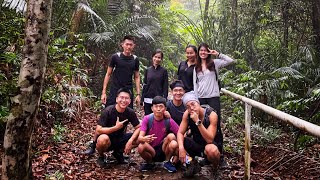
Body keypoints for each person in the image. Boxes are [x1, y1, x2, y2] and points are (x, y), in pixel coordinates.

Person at [193, 43, 234, 163]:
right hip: (201, 98)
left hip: (213, 98)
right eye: (201, 51)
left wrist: (218, 54)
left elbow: (230, 61)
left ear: (208, 52)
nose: (203, 53)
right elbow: (195, 84)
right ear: (198, 53)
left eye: (205, 51)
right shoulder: (197, 67)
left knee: (216, 125)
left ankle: (219, 153)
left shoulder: (214, 63)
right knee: (203, 124)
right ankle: (206, 154)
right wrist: (196, 99)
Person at [93, 88, 141, 167]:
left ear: (129, 101)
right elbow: (98, 130)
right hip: (107, 138)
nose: (124, 100)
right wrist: (115, 128)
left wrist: (130, 141)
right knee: (102, 139)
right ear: (116, 99)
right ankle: (101, 156)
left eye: (126, 98)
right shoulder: (108, 111)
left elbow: (138, 127)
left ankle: (118, 152)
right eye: (121, 97)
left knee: (140, 137)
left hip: (120, 137)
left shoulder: (130, 112)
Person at [177, 91, 222, 176]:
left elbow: (209, 139)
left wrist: (198, 122)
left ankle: (215, 168)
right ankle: (191, 163)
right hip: (197, 143)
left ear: (198, 103)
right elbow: (180, 132)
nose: (192, 108)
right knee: (178, 143)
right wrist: (181, 148)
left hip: (210, 144)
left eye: (193, 104)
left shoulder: (211, 115)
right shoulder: (187, 114)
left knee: (211, 150)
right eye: (188, 107)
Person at [138, 96, 180, 173]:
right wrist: (144, 139)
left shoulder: (168, 121)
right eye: (156, 106)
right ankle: (150, 163)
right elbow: (140, 137)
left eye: (161, 106)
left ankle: (167, 162)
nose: (158, 109)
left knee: (172, 139)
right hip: (151, 150)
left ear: (165, 109)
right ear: (152, 108)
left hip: (164, 149)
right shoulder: (147, 119)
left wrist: (181, 150)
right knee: (141, 146)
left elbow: (180, 133)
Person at [101, 35, 141, 109]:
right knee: (110, 110)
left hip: (128, 89)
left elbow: (137, 76)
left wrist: (138, 94)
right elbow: (108, 74)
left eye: (131, 45)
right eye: (127, 44)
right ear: (122, 45)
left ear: (133, 46)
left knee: (127, 112)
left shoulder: (135, 59)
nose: (128, 47)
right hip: (115, 89)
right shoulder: (116, 57)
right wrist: (104, 92)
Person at [141, 49, 168, 115]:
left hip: (158, 99)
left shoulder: (164, 71)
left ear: (161, 59)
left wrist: (165, 100)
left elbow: (165, 86)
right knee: (148, 117)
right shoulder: (148, 70)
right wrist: (142, 99)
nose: (157, 59)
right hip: (147, 98)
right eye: (155, 57)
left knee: (157, 117)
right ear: (152, 57)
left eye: (159, 57)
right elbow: (145, 84)